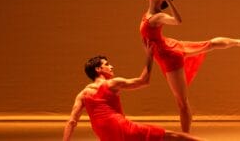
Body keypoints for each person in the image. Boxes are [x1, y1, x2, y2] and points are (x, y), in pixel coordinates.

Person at [120, 0, 240, 133]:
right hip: (168, 45)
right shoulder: (152, 7)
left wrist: (169, 1)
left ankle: (186, 137)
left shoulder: (158, 16)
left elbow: (178, 21)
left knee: (182, 103)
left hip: (168, 56)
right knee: (208, 45)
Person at [63, 42, 205, 141]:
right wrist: (149, 56)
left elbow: (71, 122)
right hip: (122, 128)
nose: (111, 66)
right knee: (175, 137)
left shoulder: (82, 94)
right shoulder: (112, 83)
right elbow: (143, 81)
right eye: (107, 64)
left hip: (106, 136)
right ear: (98, 69)